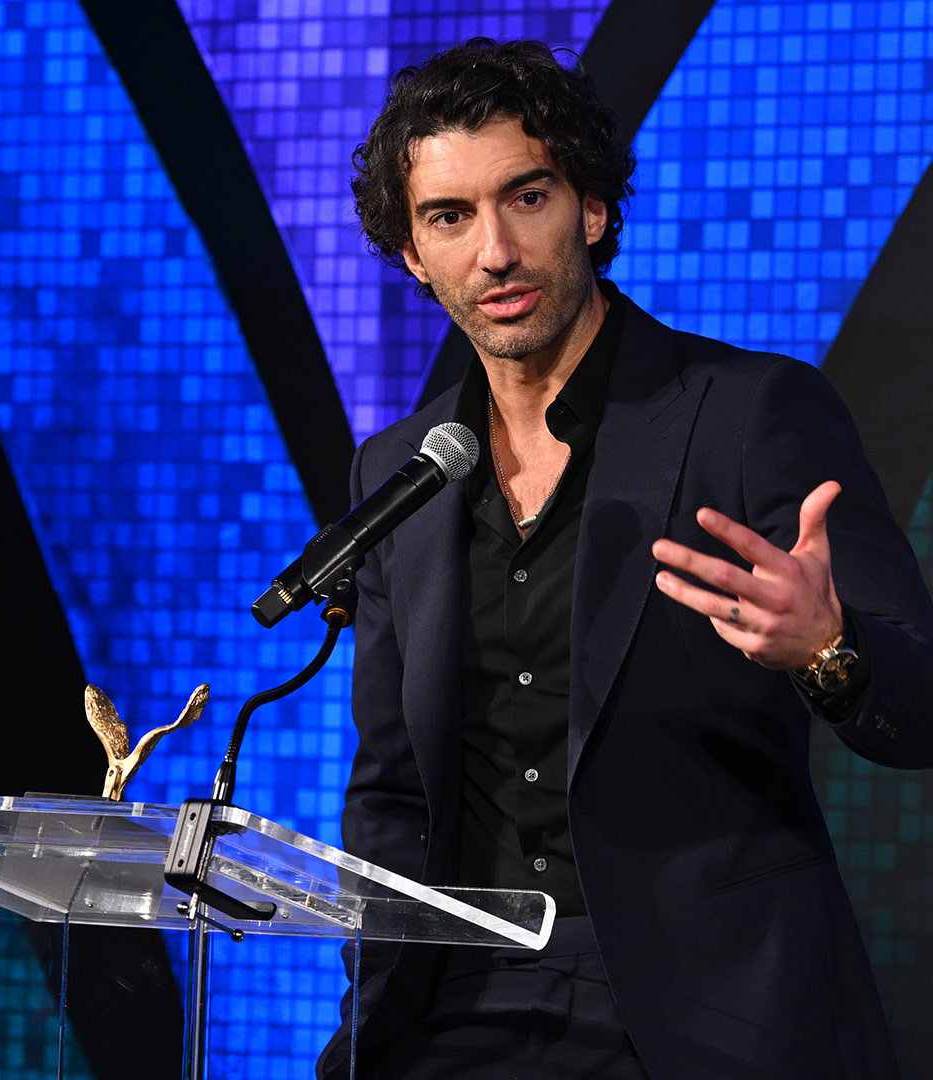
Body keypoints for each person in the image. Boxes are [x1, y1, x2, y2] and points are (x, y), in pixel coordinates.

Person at [320, 39, 933, 1079]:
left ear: (592, 210)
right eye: (449, 217)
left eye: (528, 197)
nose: (496, 253)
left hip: (702, 1018)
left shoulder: (748, 416)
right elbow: (394, 795)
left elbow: (920, 705)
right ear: (414, 255)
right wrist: (369, 1019)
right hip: (452, 1015)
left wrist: (830, 647)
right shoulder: (404, 472)